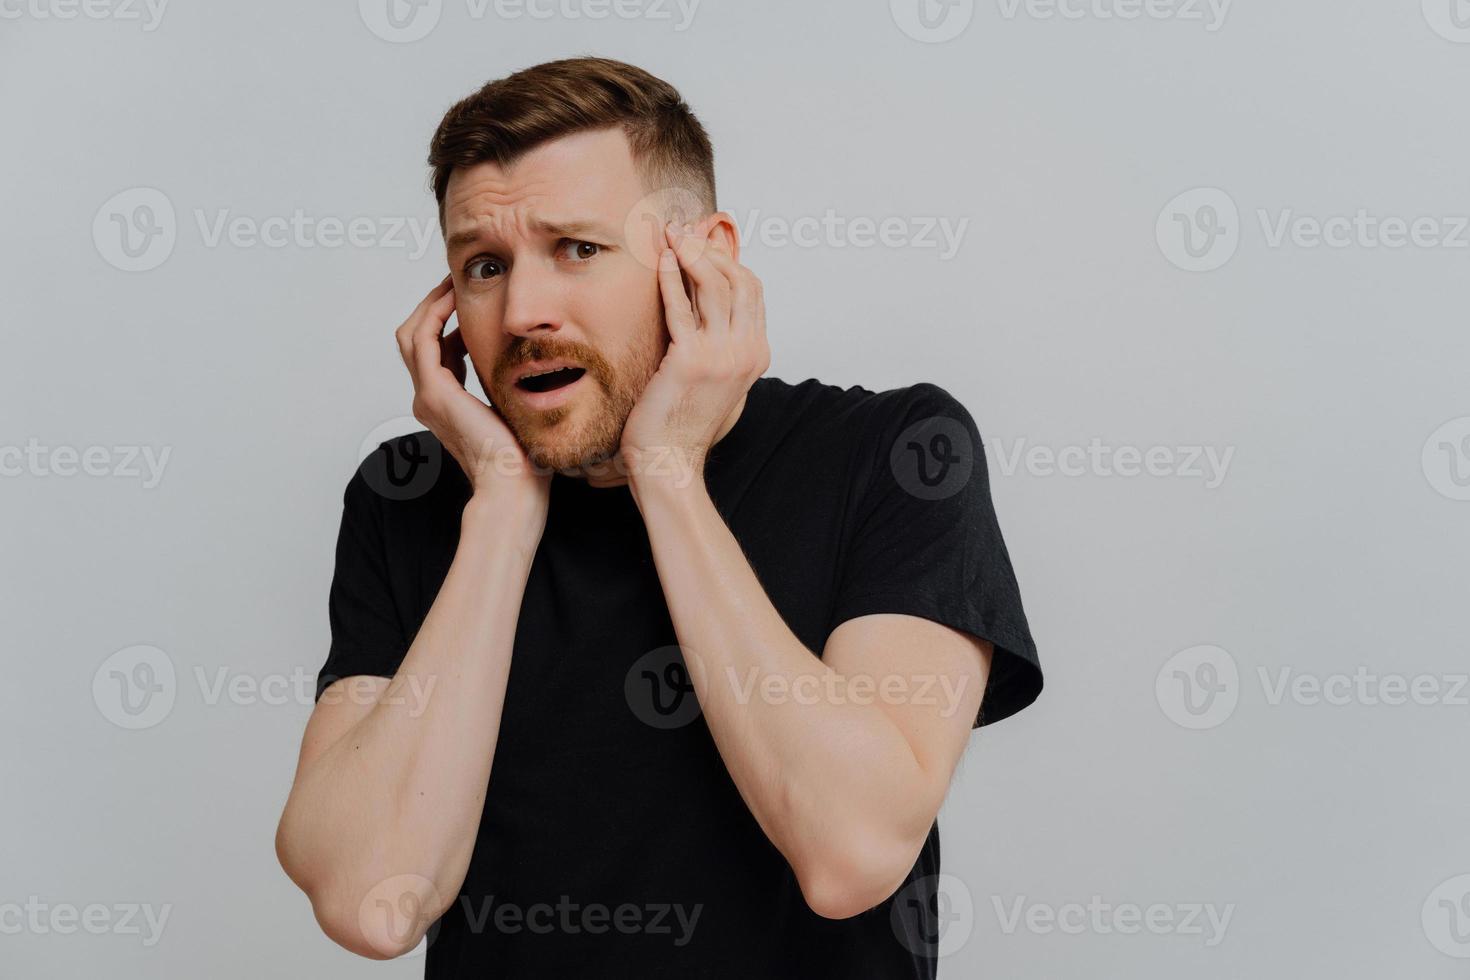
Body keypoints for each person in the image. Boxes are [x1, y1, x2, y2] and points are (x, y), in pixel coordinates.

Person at [274, 56, 1042, 979]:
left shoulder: (892, 454)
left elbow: (852, 853)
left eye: (578, 249)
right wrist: (502, 518)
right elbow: (369, 900)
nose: (523, 312)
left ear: (700, 258)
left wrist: (666, 470)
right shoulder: (405, 498)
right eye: (484, 265)